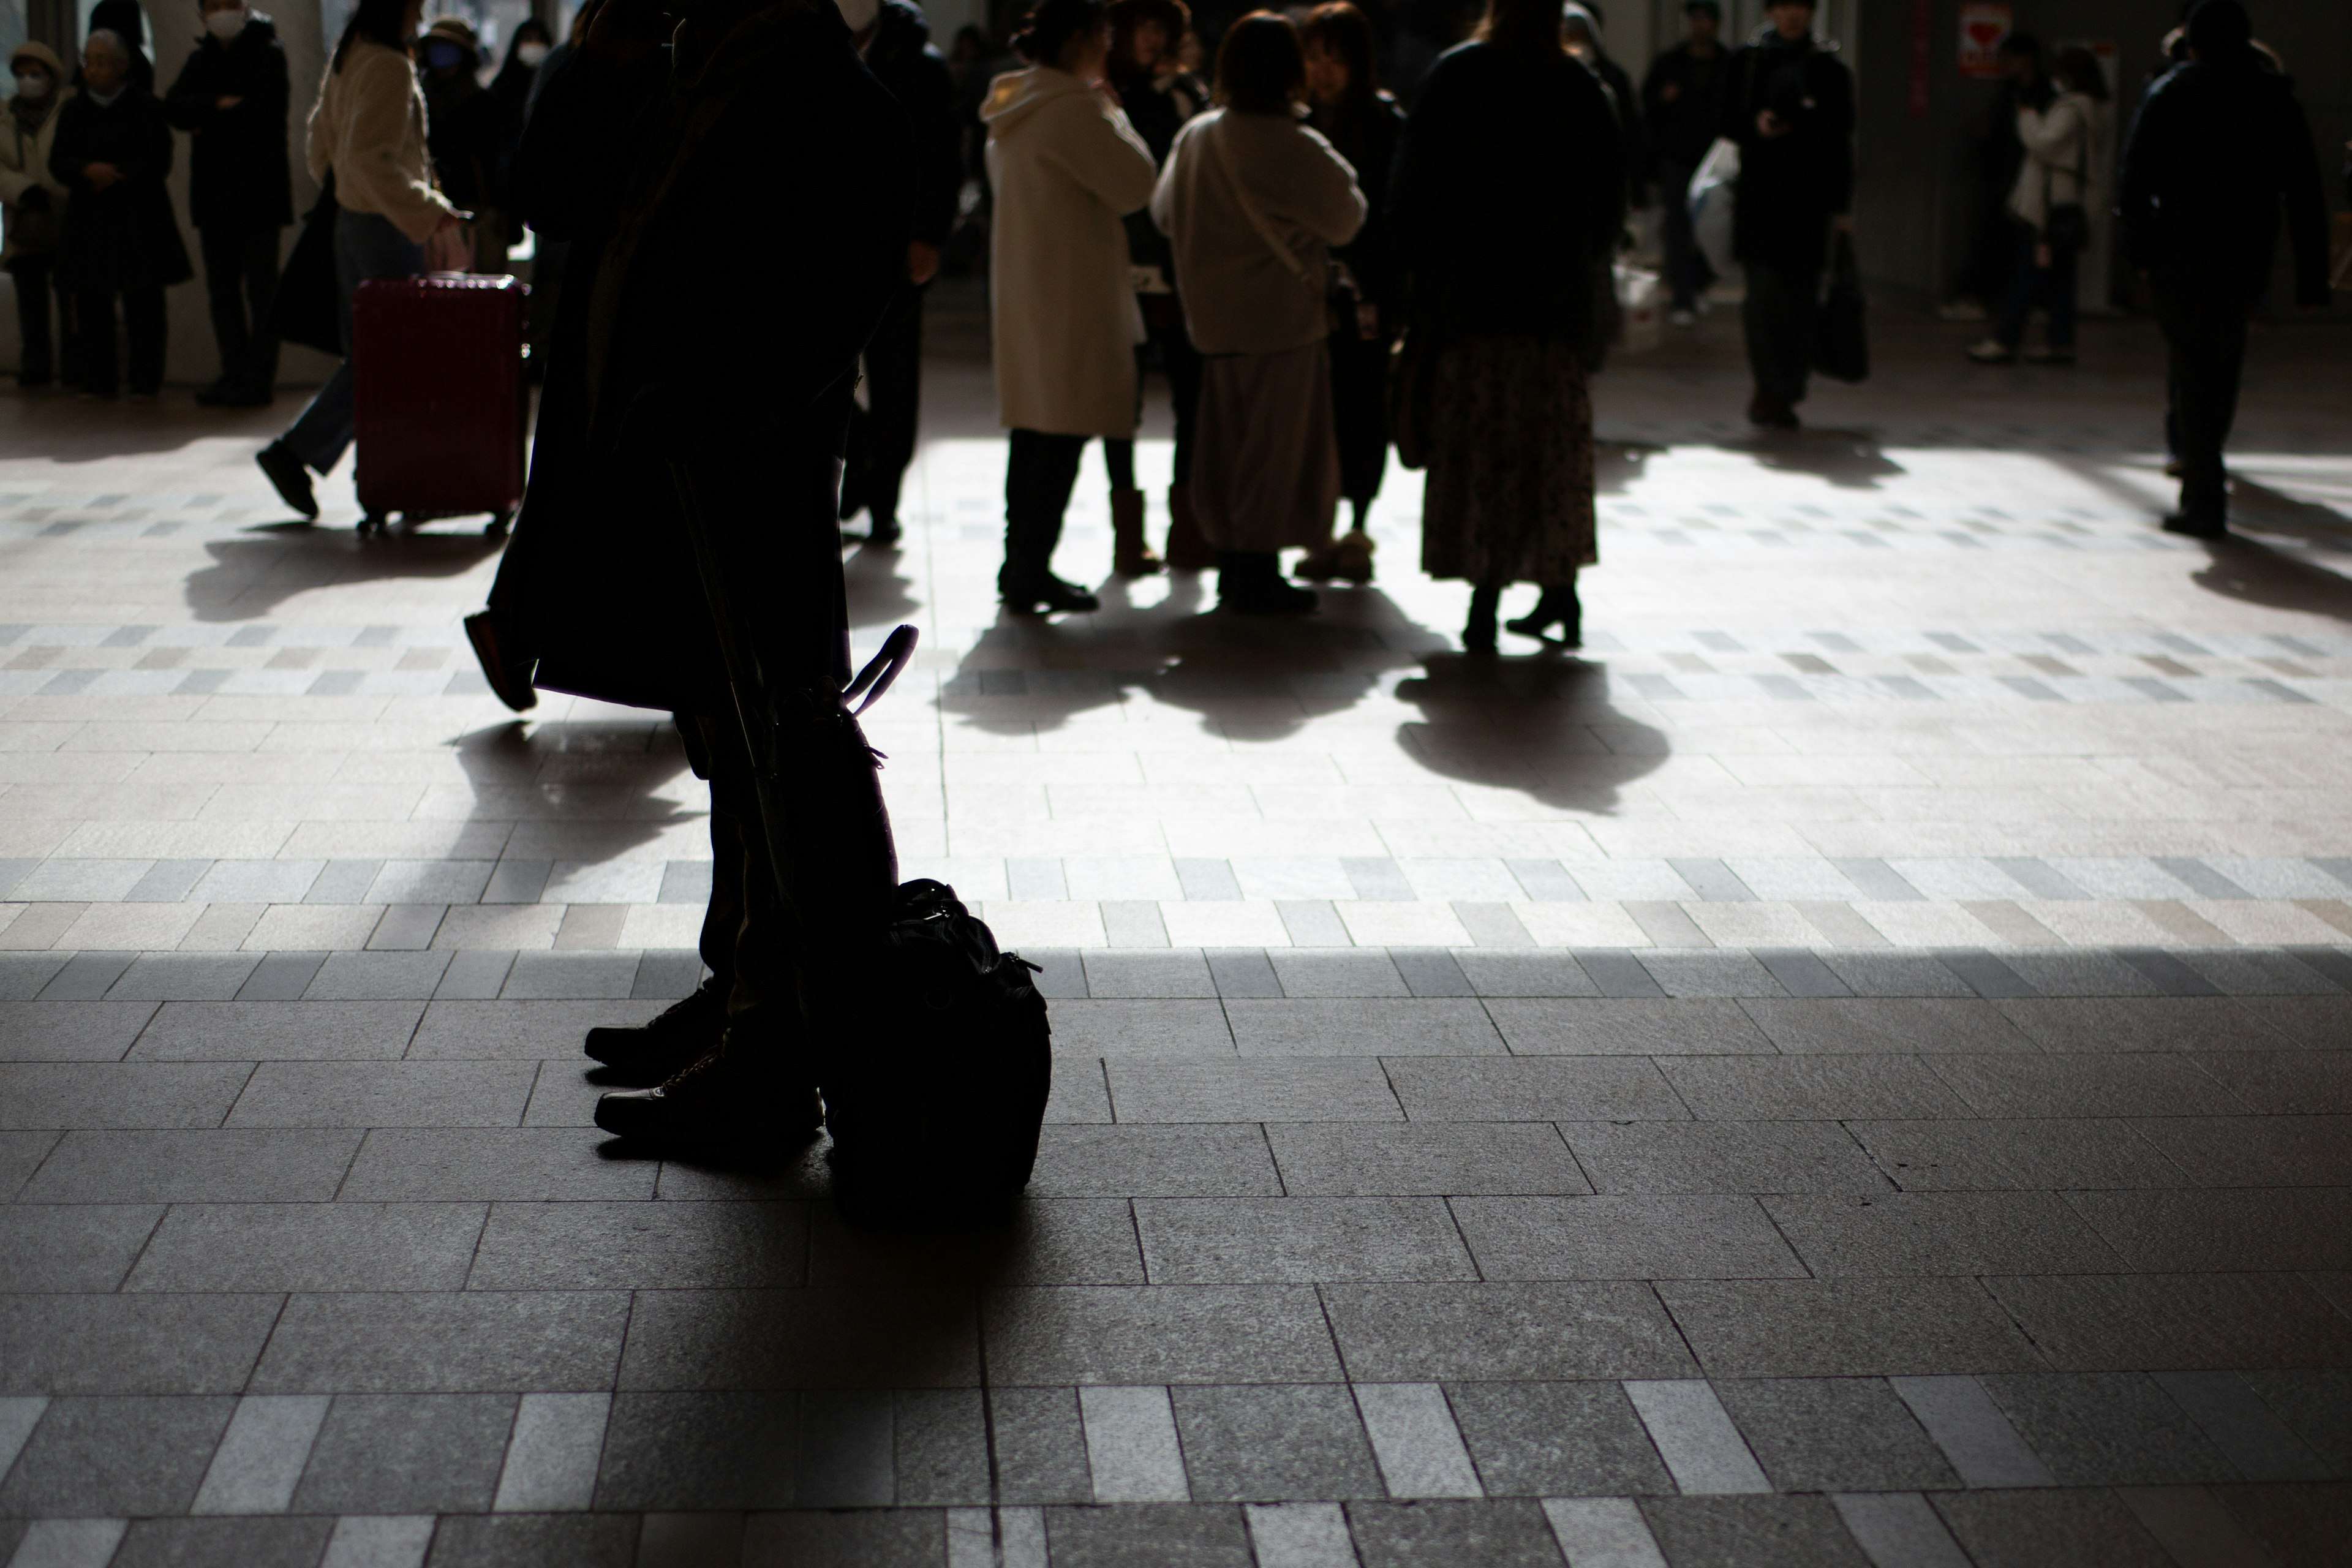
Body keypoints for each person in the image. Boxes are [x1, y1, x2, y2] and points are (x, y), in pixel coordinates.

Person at [470, 0, 911, 1149]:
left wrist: (721, 410)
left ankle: (769, 1063)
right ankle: (738, 998)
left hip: (746, 487)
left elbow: (838, 293)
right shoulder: (684, 72)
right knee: (728, 749)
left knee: (776, 759)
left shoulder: (820, 91)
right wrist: (595, 63)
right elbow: (555, 195)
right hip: (678, 487)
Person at [1392, 0, 1623, 650]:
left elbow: (1410, 192)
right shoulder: (1580, 87)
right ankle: (1561, 593)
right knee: (1550, 453)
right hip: (1551, 308)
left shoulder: (1456, 76)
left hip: (1470, 305)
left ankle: (1483, 602)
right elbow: (1609, 206)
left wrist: (1414, 279)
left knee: (1482, 448)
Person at [1152, 10, 1363, 614]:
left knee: (1223, 447)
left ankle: (1234, 563)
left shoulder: (1198, 136)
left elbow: (1165, 215)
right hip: (1282, 320)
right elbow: (1348, 220)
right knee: (1275, 451)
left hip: (1213, 321)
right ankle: (1256, 571)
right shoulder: (1295, 144)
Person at [2120, 0, 2327, 538]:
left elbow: (2134, 183)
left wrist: (2137, 258)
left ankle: (2203, 498)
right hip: (2244, 257)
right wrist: (2312, 276)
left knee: (2191, 370)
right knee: (2220, 363)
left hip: (2178, 255)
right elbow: (2305, 192)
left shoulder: (2170, 93)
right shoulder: (2275, 99)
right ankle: (2204, 481)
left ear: (2192, 42)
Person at [253, 0, 466, 520]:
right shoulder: (388, 65)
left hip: (352, 221)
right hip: (385, 225)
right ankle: (304, 454)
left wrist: (342, 187)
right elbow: (373, 159)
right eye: (414, 8)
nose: (418, 19)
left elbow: (320, 141)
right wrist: (431, 209)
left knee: (372, 354)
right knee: (386, 358)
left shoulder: (351, 56)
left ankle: (376, 474)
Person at [981, 0, 1159, 615]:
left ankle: (1020, 563)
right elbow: (1138, 183)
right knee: (1061, 435)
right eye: (1105, 35)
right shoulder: (1074, 108)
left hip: (1029, 291)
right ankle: (1030, 569)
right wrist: (1113, 108)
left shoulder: (1013, 103)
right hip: (1074, 297)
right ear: (1082, 39)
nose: (1109, 45)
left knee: (1033, 433)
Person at [836, 0, 960, 548]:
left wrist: (929, 236)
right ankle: (853, 472)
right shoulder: (806, 48)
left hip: (896, 248)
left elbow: (941, 159)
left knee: (893, 380)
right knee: (826, 377)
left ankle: (883, 497)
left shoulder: (920, 63)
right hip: (826, 245)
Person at [1294, 0, 1401, 584]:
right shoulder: (1297, 123)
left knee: (1362, 410)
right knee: (1318, 412)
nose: (1323, 70)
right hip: (1311, 291)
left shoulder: (1384, 124)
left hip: (1365, 293)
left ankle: (1356, 524)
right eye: (1313, 57)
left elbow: (1393, 214)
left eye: (1334, 58)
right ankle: (1320, 527)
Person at [1102, 0, 1204, 575]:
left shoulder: (1185, 93)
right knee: (1123, 400)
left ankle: (1186, 526)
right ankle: (1129, 535)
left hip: (1182, 264)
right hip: (1124, 264)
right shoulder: (1107, 95)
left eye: (1160, 28)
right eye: (1142, 25)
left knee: (1191, 395)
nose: (1151, 37)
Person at [1717, 0, 1852, 431]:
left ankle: (1788, 387)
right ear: (1771, 11)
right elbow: (1723, 120)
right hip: (1760, 198)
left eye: (1800, 7)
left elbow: (1840, 142)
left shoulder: (1829, 69)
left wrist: (1841, 207)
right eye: (1784, 6)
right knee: (1763, 297)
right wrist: (1755, 127)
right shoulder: (1749, 61)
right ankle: (1769, 385)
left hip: (1808, 203)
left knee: (1800, 299)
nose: (1792, 15)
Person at [49, 30, 191, 401]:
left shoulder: (146, 108)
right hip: (89, 218)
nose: (93, 70)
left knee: (144, 304)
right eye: (88, 61)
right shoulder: (74, 110)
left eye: (101, 62)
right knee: (92, 304)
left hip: (138, 216)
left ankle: (146, 382)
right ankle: (99, 381)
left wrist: (117, 176)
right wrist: (85, 170)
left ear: (122, 66)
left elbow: (159, 159)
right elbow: (58, 161)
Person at [164, 0, 293, 407]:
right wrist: (219, 105)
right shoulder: (200, 59)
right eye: (213, 5)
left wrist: (209, 116)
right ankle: (233, 374)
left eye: (229, 3)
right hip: (215, 198)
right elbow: (175, 107)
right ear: (202, 14)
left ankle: (259, 379)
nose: (222, 12)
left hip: (259, 197)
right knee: (223, 293)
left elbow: (263, 116)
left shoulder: (268, 55)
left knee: (261, 292)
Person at [1967, 45, 2108, 367]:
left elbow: (2044, 143)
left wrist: (2027, 119)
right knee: (2060, 278)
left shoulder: (2071, 110)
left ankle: (2004, 339)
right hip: (2068, 203)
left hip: (2049, 205)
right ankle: (2060, 343)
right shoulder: (2094, 109)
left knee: (2027, 274)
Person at [1940, 29, 2038, 322]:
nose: (2007, 65)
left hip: (2023, 178)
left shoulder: (2035, 94)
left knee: (2017, 246)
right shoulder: (2007, 92)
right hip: (1998, 178)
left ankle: (2009, 300)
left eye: (2011, 59)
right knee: (1990, 240)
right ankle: (1984, 297)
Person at [1642, 0, 1724, 323]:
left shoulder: (1727, 64)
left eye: (1706, 19)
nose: (1701, 25)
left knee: (1714, 227)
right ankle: (1683, 295)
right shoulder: (1670, 64)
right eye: (1696, 19)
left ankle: (1696, 283)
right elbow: (1648, 107)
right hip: (1677, 157)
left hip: (1715, 158)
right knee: (1678, 227)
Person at [2, 42, 71, 390]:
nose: (28, 81)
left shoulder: (69, 110)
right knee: (31, 299)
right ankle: (36, 364)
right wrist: (22, 189)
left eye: (36, 74)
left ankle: (74, 363)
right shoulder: (4, 116)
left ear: (51, 78)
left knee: (70, 297)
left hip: (65, 217)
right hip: (25, 221)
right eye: (22, 74)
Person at [420, 18, 506, 271]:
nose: (441, 57)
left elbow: (492, 161)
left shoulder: (482, 102)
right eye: (436, 48)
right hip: (431, 209)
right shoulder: (422, 98)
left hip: (473, 209)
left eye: (448, 49)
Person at [1561, 2, 1643, 213]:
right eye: (1569, 37)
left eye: (1580, 36)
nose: (1575, 45)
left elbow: (1627, 134)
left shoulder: (1611, 79)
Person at [78, 0, 156, 94]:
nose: (93, 71)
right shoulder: (141, 65)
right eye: (88, 63)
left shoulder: (138, 66)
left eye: (101, 63)